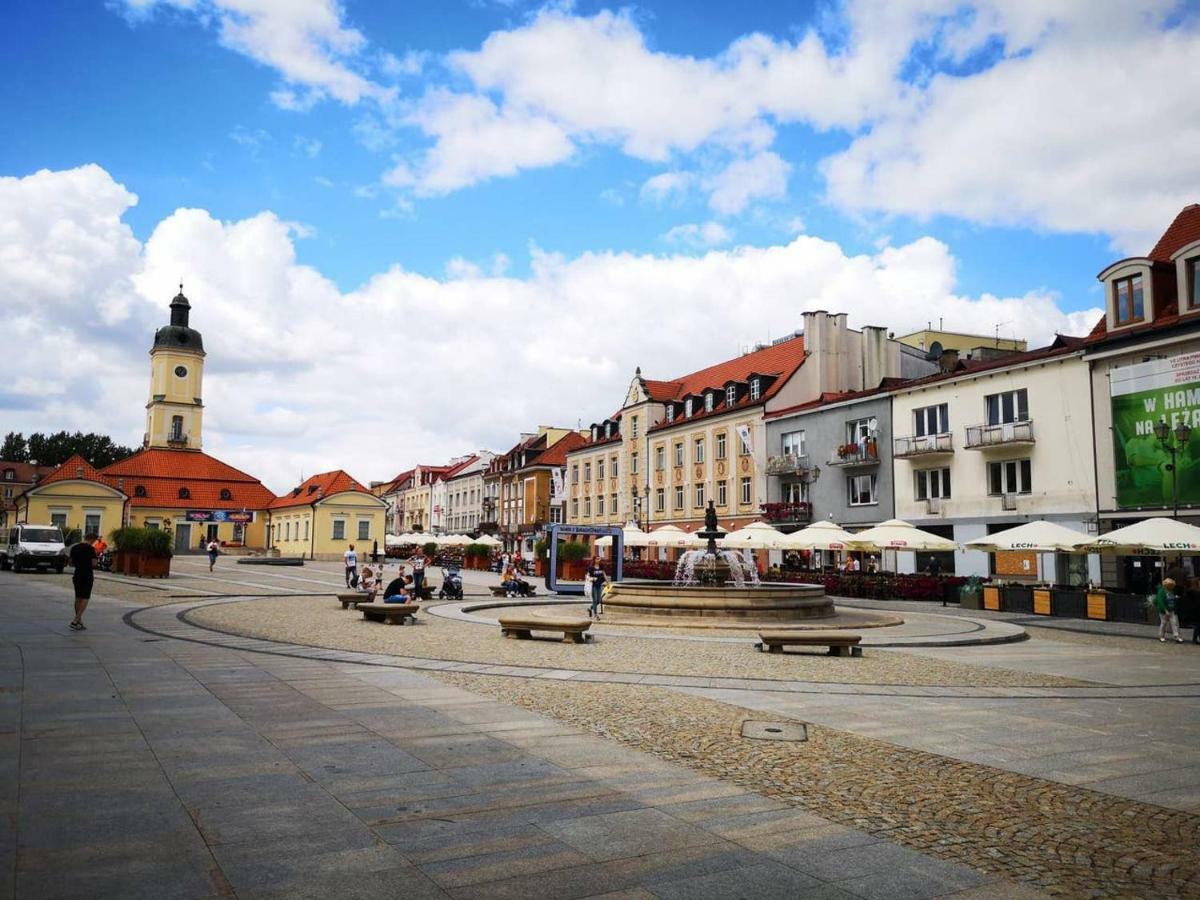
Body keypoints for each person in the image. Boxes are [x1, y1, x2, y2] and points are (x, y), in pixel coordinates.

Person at [69, 534, 97, 631]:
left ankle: (79, 621)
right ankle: (75, 620)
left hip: (77, 574)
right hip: (87, 574)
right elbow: (94, 563)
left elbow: (71, 562)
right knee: (85, 597)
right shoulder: (90, 549)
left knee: (77, 597)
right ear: (92, 539)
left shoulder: (75, 548)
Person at [1155, 577, 1183, 643]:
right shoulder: (1161, 591)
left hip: (1171, 610)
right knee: (1164, 623)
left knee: (1174, 623)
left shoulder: (1170, 591)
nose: (1172, 587)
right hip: (1164, 611)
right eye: (1171, 585)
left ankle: (1176, 636)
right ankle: (1161, 636)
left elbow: (1171, 599)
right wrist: (1165, 610)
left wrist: (1175, 598)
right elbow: (1160, 601)